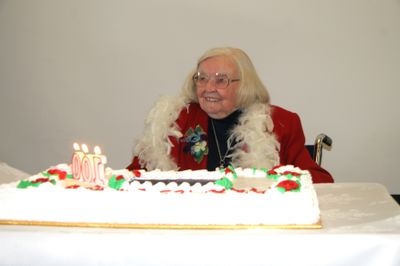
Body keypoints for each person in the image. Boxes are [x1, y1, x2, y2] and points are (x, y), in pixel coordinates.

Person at [127, 47, 333, 183]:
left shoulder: (280, 123)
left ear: (244, 85)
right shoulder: (175, 120)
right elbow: (136, 175)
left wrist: (275, 182)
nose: (208, 87)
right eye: (202, 78)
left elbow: (320, 181)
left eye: (221, 80)